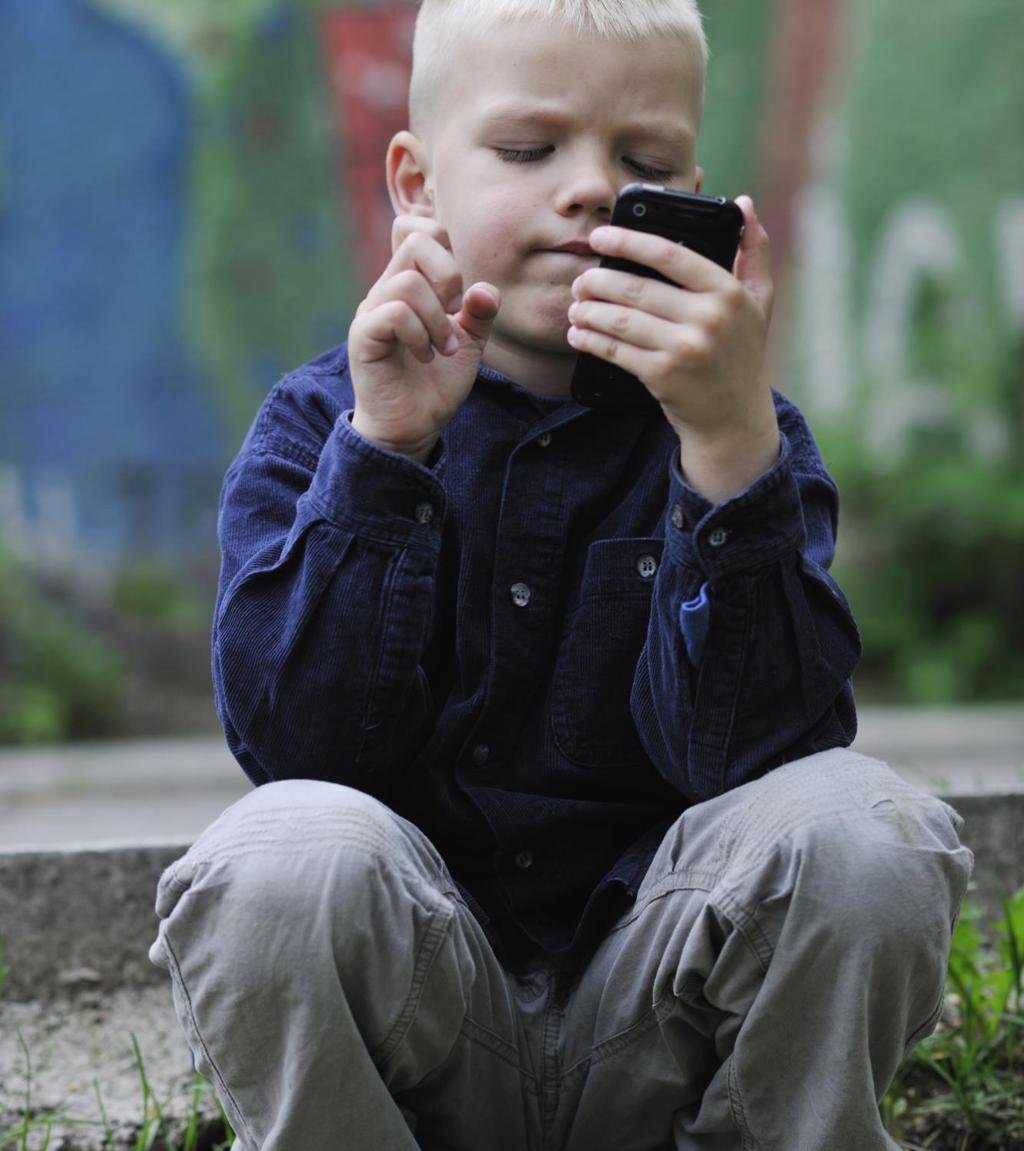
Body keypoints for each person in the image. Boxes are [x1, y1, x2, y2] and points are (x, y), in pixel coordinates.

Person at [150, 1, 973, 1147]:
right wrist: (385, 456)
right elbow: (298, 752)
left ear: (701, 198)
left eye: (642, 163)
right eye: (529, 151)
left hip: (663, 1015)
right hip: (427, 1018)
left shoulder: (748, 437)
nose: (588, 189)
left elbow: (760, 763)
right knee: (281, 852)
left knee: (862, 828)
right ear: (416, 183)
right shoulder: (323, 426)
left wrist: (729, 452)